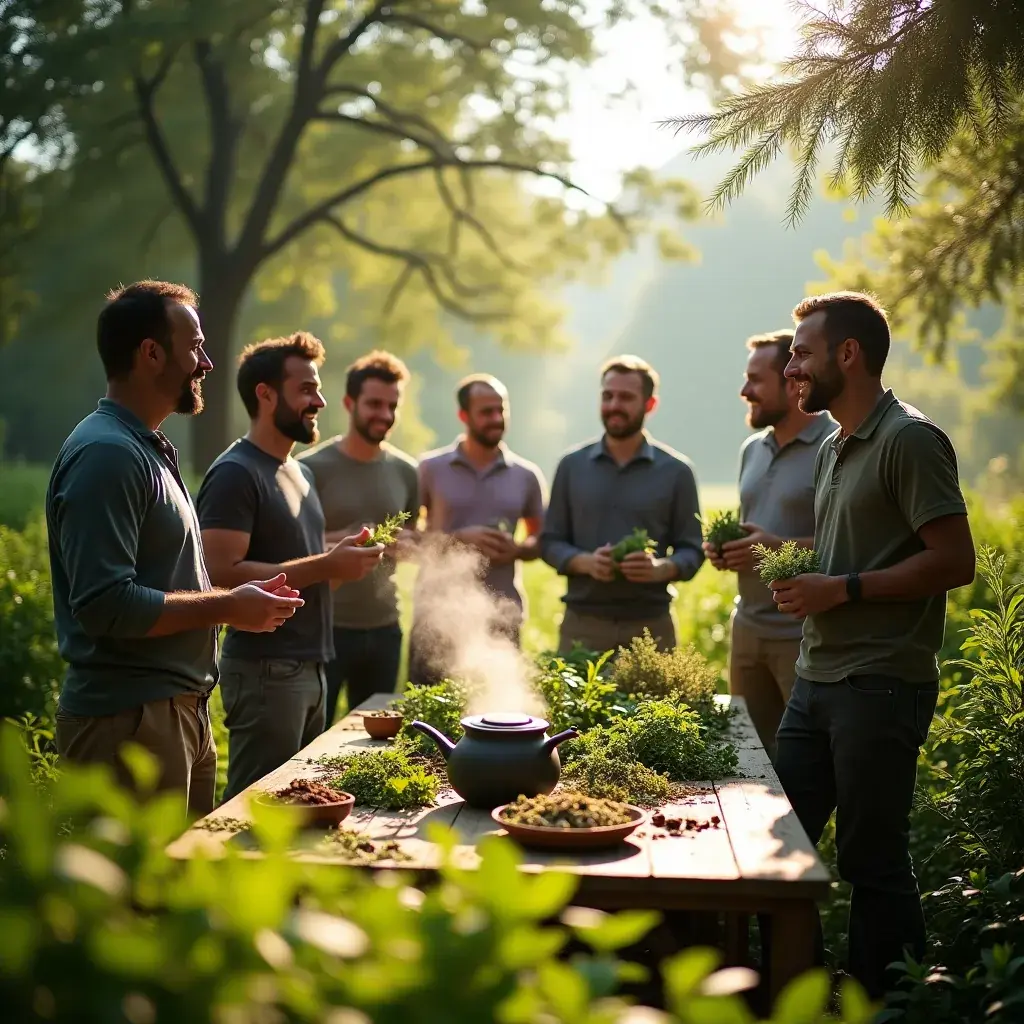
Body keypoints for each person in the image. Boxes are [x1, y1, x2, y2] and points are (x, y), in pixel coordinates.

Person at [769, 291, 976, 998]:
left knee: (872, 863)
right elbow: (841, 551)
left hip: (882, 683)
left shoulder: (911, 440)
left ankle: (888, 1004)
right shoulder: (832, 446)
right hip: (816, 679)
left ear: (846, 354)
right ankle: (798, 990)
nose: (791, 365)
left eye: (801, 352)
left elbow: (954, 562)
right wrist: (798, 574)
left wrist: (845, 589)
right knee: (779, 846)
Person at [46, 280, 304, 817]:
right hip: (130, 724)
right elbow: (104, 605)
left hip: (173, 716)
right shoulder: (108, 455)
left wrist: (236, 601)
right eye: (194, 347)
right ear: (151, 353)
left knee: (177, 895)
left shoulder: (144, 447)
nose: (207, 362)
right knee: (136, 899)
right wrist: (231, 606)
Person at [197, 333, 383, 802]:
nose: (318, 401)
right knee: (254, 810)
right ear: (265, 394)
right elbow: (218, 573)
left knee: (298, 807)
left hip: (310, 666)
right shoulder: (235, 472)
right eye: (306, 390)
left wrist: (346, 553)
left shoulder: (298, 471)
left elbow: (297, 557)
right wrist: (325, 562)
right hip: (265, 671)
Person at [704, 330, 834, 756]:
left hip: (802, 636)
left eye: (755, 380)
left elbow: (850, 545)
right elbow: (753, 531)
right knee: (747, 757)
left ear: (793, 380)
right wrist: (728, 550)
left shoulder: (836, 447)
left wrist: (777, 547)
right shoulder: (751, 450)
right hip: (747, 629)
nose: (744, 391)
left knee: (803, 765)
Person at [540, 354, 704, 654]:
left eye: (626, 397)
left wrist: (660, 568)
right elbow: (550, 542)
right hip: (582, 625)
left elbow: (693, 550)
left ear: (649, 404)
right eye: (608, 396)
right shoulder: (571, 466)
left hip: (651, 628)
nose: (614, 405)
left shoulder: (677, 472)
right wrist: (586, 563)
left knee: (656, 703)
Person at [298, 350, 419, 724]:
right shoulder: (310, 468)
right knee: (310, 739)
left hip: (385, 628)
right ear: (349, 403)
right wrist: (344, 539)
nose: (384, 414)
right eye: (374, 404)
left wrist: (406, 546)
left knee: (374, 741)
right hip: (326, 629)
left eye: (392, 405)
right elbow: (293, 545)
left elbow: (414, 537)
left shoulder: (407, 471)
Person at [417, 374, 547, 641]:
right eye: (486, 412)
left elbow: (541, 538)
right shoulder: (430, 468)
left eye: (501, 410)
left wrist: (518, 548)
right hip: (436, 617)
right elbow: (407, 537)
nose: (497, 418)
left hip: (502, 617)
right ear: (463, 415)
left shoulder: (526, 476)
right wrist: (459, 540)